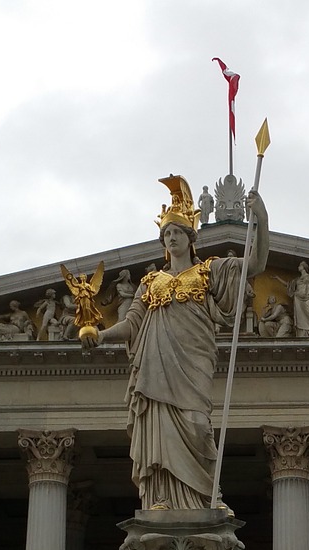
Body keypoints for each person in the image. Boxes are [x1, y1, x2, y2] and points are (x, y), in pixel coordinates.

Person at [84, 175, 267, 510]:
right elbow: (132, 323)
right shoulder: (150, 282)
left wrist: (262, 220)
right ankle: (163, 498)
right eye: (167, 234)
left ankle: (207, 498)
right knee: (161, 429)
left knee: (197, 425)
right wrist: (101, 334)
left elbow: (256, 264)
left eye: (177, 233)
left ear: (190, 238)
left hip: (193, 363)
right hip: (157, 368)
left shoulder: (209, 272)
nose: (171, 238)